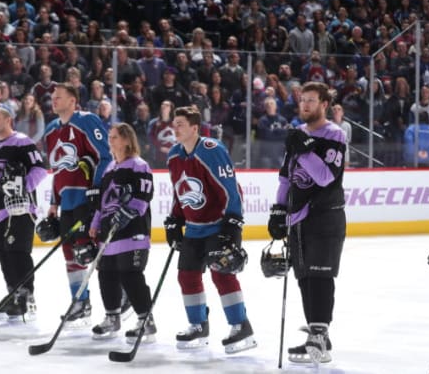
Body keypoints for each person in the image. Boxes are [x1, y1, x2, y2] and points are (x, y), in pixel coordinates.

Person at [164, 106, 257, 354]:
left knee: (222, 273)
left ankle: (240, 326)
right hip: (194, 227)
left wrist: (232, 225)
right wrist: (175, 220)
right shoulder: (174, 155)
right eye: (175, 123)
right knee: (187, 275)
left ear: (195, 128)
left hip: (218, 224)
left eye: (181, 123)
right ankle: (198, 325)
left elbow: (229, 189)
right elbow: (179, 191)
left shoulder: (211, 150)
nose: (176, 127)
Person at [267, 81, 347, 364]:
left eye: (311, 100)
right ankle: (317, 334)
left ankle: (319, 335)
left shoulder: (334, 135)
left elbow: (325, 177)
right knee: (304, 277)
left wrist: (305, 150)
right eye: (303, 100)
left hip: (326, 215)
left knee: (320, 275)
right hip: (298, 217)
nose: (305, 105)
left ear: (325, 104)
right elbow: (286, 177)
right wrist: (278, 209)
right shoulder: (297, 134)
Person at [44, 83, 112, 325]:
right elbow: (57, 169)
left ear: (73, 101)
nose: (54, 100)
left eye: (59, 97)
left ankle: (118, 299)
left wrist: (96, 187)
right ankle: (80, 302)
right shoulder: (51, 130)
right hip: (67, 203)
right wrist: (54, 202)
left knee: (94, 252)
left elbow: (106, 155)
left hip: (88, 199)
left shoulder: (87, 121)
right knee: (71, 254)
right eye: (53, 97)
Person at [86, 123, 156, 343]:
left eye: (115, 137)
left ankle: (146, 321)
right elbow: (102, 202)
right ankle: (112, 317)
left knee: (130, 275)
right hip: (109, 233)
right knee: (106, 274)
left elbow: (143, 197)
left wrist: (127, 213)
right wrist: (96, 223)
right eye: (110, 137)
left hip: (133, 233)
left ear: (127, 140)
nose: (111, 140)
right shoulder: (109, 168)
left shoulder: (139, 166)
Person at [0, 107, 46, 320]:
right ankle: (13, 294)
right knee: (2, 252)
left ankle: (26, 296)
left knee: (18, 252)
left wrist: (22, 187)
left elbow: (40, 169)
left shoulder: (23, 142)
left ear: (9, 120)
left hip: (20, 208)